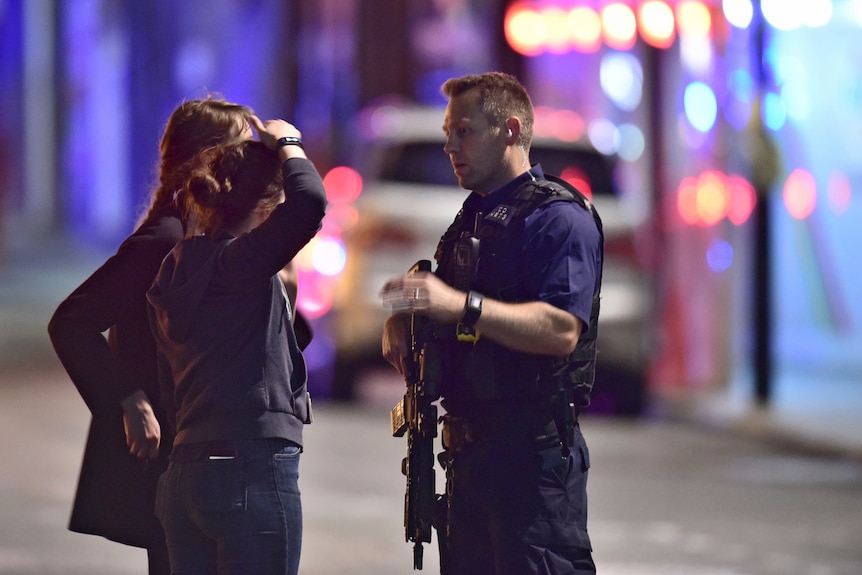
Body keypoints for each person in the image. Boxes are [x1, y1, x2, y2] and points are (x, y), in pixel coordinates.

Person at [381, 72, 603, 575]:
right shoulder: (475, 217)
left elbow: (561, 329)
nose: (449, 145)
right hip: (469, 461)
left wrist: (462, 306)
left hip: (530, 463)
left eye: (464, 131)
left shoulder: (558, 218)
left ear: (509, 129)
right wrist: (408, 317)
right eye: (447, 133)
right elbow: (447, 305)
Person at [48, 96, 257, 575]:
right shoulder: (164, 241)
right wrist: (129, 399)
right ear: (211, 160)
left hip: (207, 459)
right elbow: (71, 322)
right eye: (243, 151)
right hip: (172, 462)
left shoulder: (214, 240)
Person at [146, 118, 327, 575]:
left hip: (185, 473)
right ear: (268, 214)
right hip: (247, 469)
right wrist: (289, 142)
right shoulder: (238, 265)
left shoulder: (176, 268)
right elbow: (311, 203)